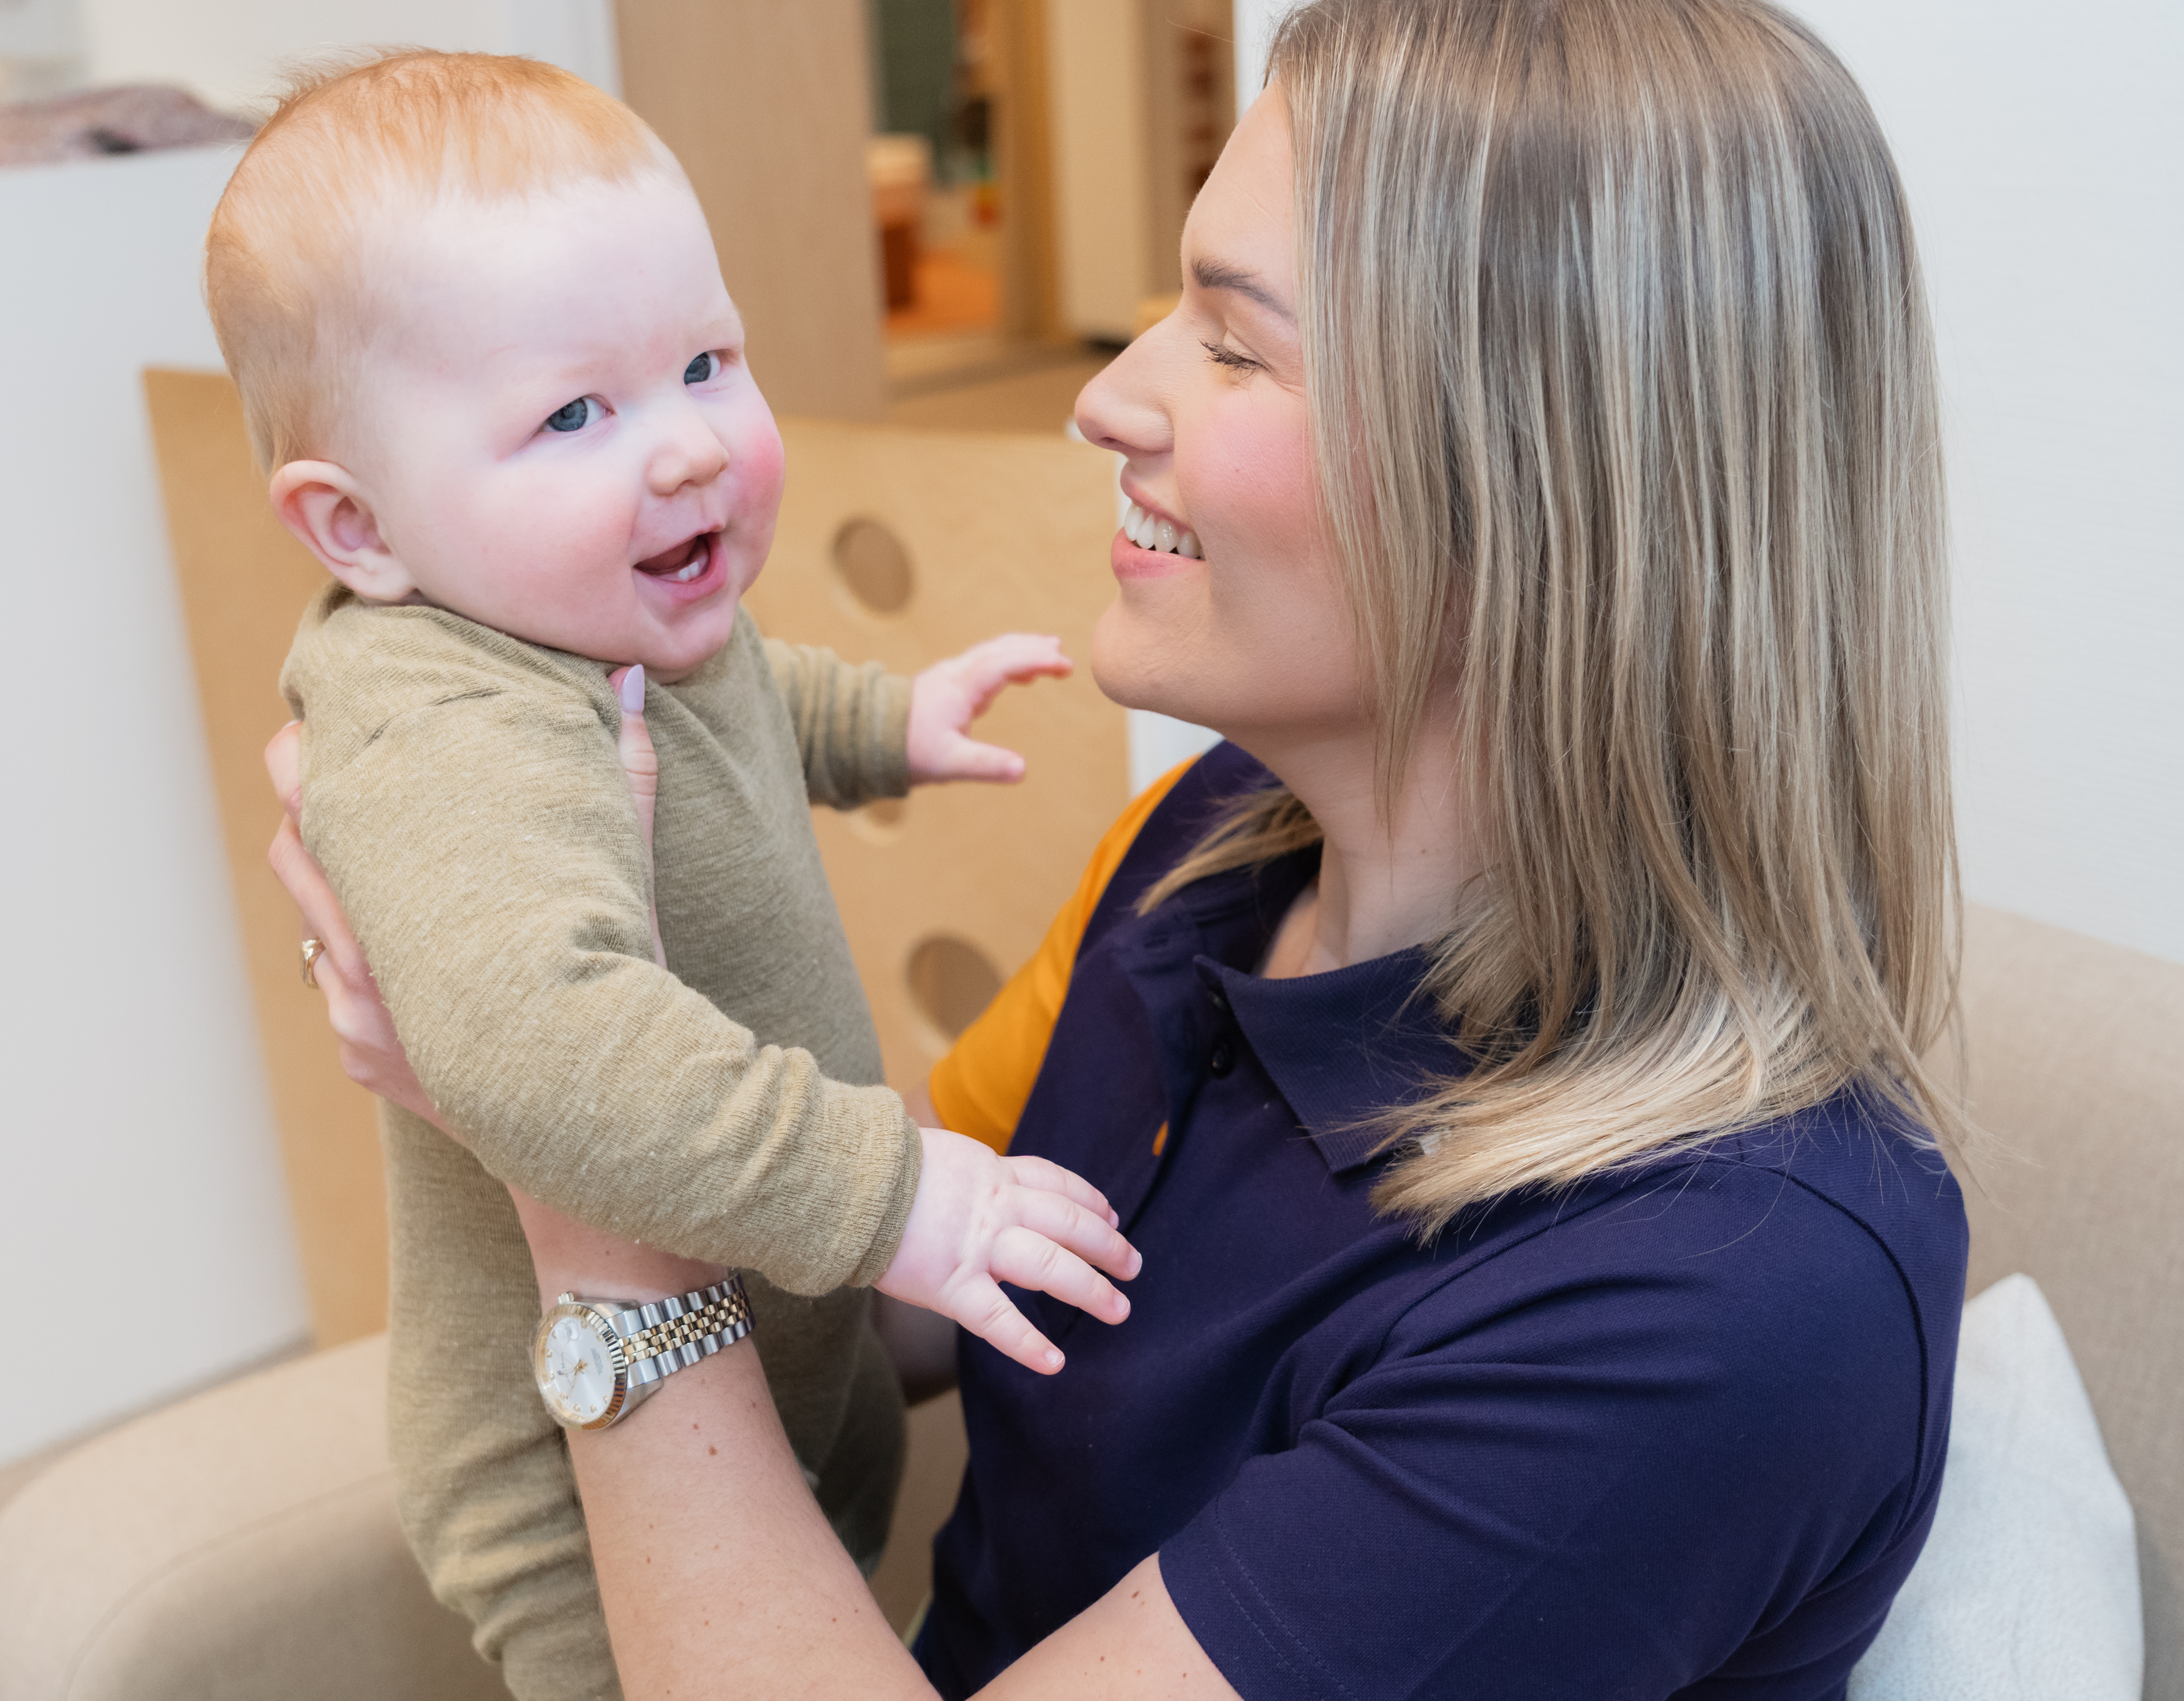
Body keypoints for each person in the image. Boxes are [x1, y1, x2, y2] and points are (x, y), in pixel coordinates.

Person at [270, 0, 1971, 1693]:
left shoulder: (1720, 1302)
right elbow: (932, 1277)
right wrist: (591, 1035)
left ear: (1548, 491)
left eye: (1231, 344)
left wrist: (596, 1216)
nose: (1103, 397)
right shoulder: (1208, 842)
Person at [213, 53, 1138, 1701]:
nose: (691, 449)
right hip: (576, 1479)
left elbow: (744, 695)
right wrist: (897, 1197)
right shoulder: (444, 715)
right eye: (576, 413)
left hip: (782, 1357)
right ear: (358, 531)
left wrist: (885, 723)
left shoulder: (592, 603)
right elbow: (532, 1045)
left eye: (709, 362)